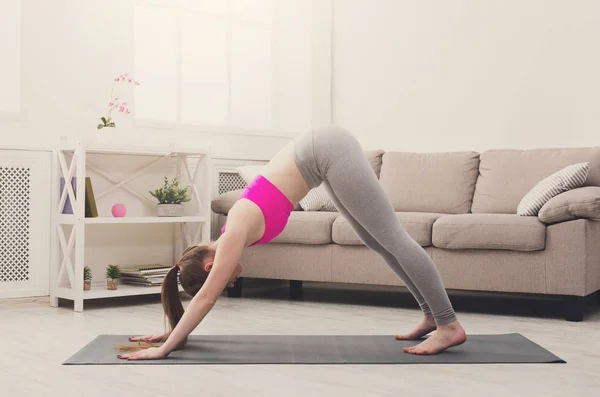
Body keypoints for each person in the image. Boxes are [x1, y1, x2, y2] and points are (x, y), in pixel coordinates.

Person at [117, 125, 466, 360]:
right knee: (379, 243)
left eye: (225, 281)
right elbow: (206, 294)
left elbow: (206, 297)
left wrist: (165, 349)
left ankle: (448, 324)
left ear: (211, 268)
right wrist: (173, 332)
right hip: (320, 160)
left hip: (326, 149)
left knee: (394, 237)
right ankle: (430, 316)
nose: (231, 281)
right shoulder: (230, 236)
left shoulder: (233, 233)